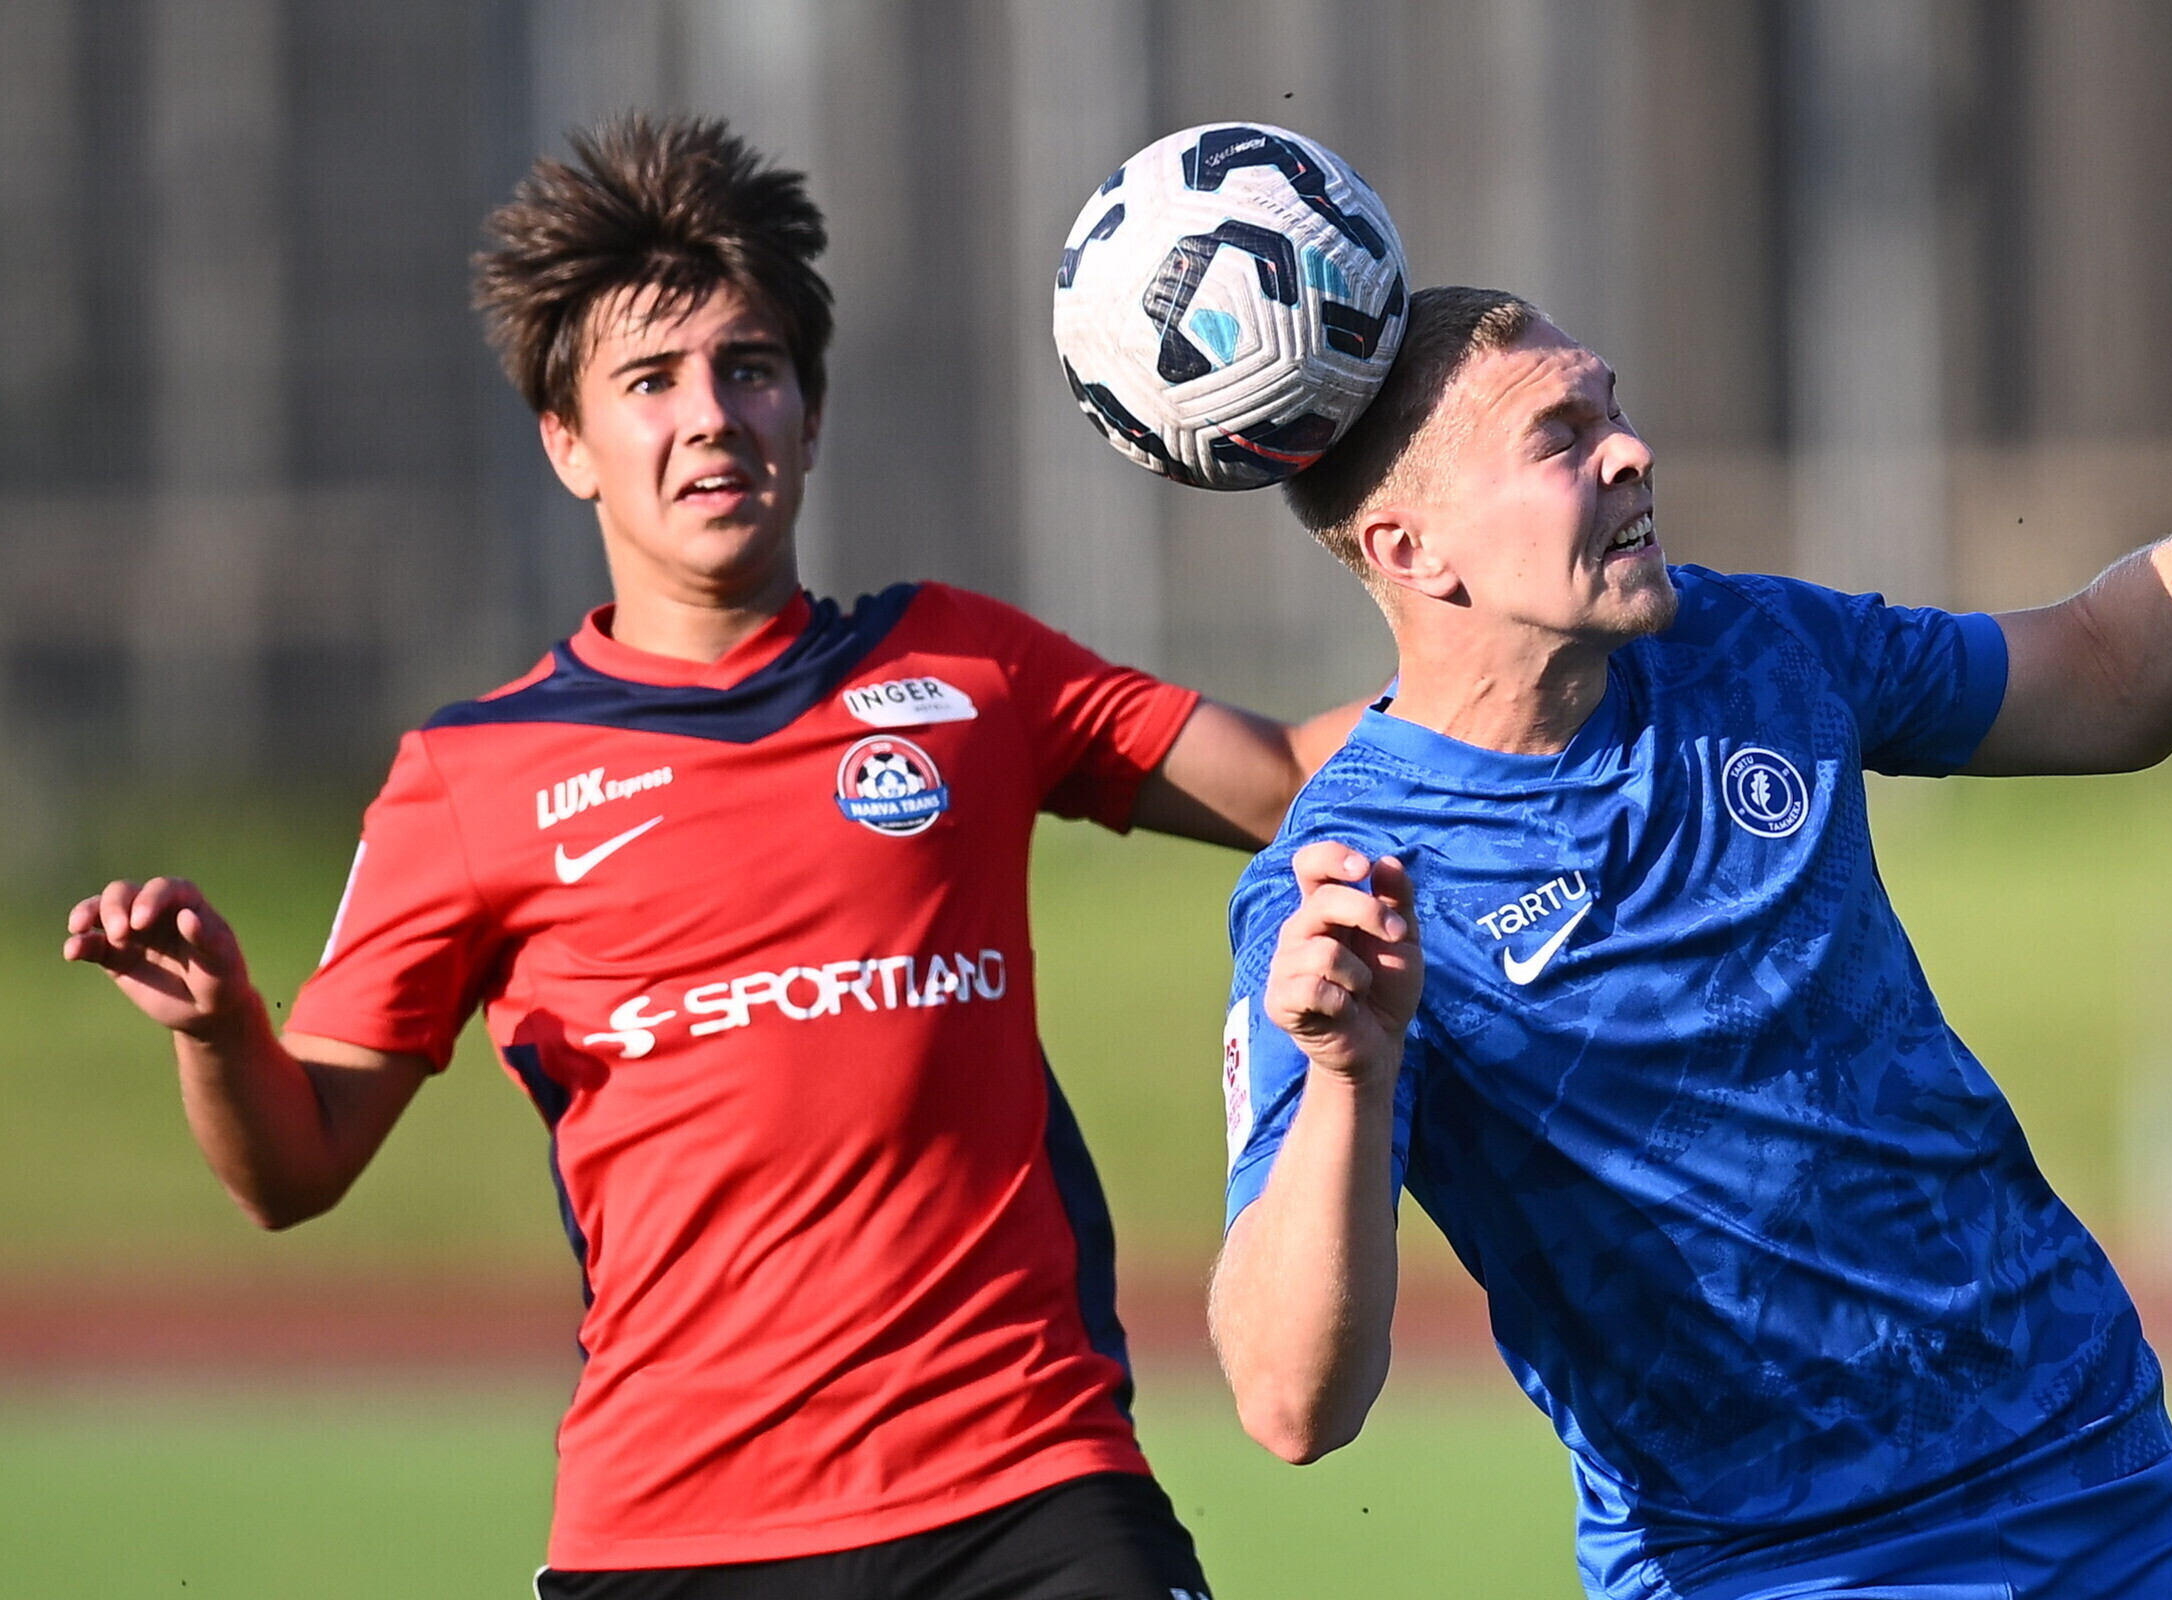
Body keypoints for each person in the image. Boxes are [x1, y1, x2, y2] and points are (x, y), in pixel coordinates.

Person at [65, 114, 1352, 1600]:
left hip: (1030, 1487)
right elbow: (292, 1170)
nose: (713, 415)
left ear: (810, 410)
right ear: (568, 444)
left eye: (750, 368)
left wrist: (1505, 640)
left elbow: (1290, 779)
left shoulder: (965, 668)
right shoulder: (470, 779)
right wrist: (221, 1026)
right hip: (674, 1535)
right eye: (650, 381)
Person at [1209, 264, 2172, 1599]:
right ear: (1413, 551)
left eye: (1611, 408)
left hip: (2095, 1481)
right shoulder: (1343, 893)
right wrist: (1351, 1079)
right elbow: (1290, 1404)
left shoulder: (1749, 646)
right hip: (1774, 1565)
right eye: (1560, 438)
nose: (1631, 452)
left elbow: (2110, 677)